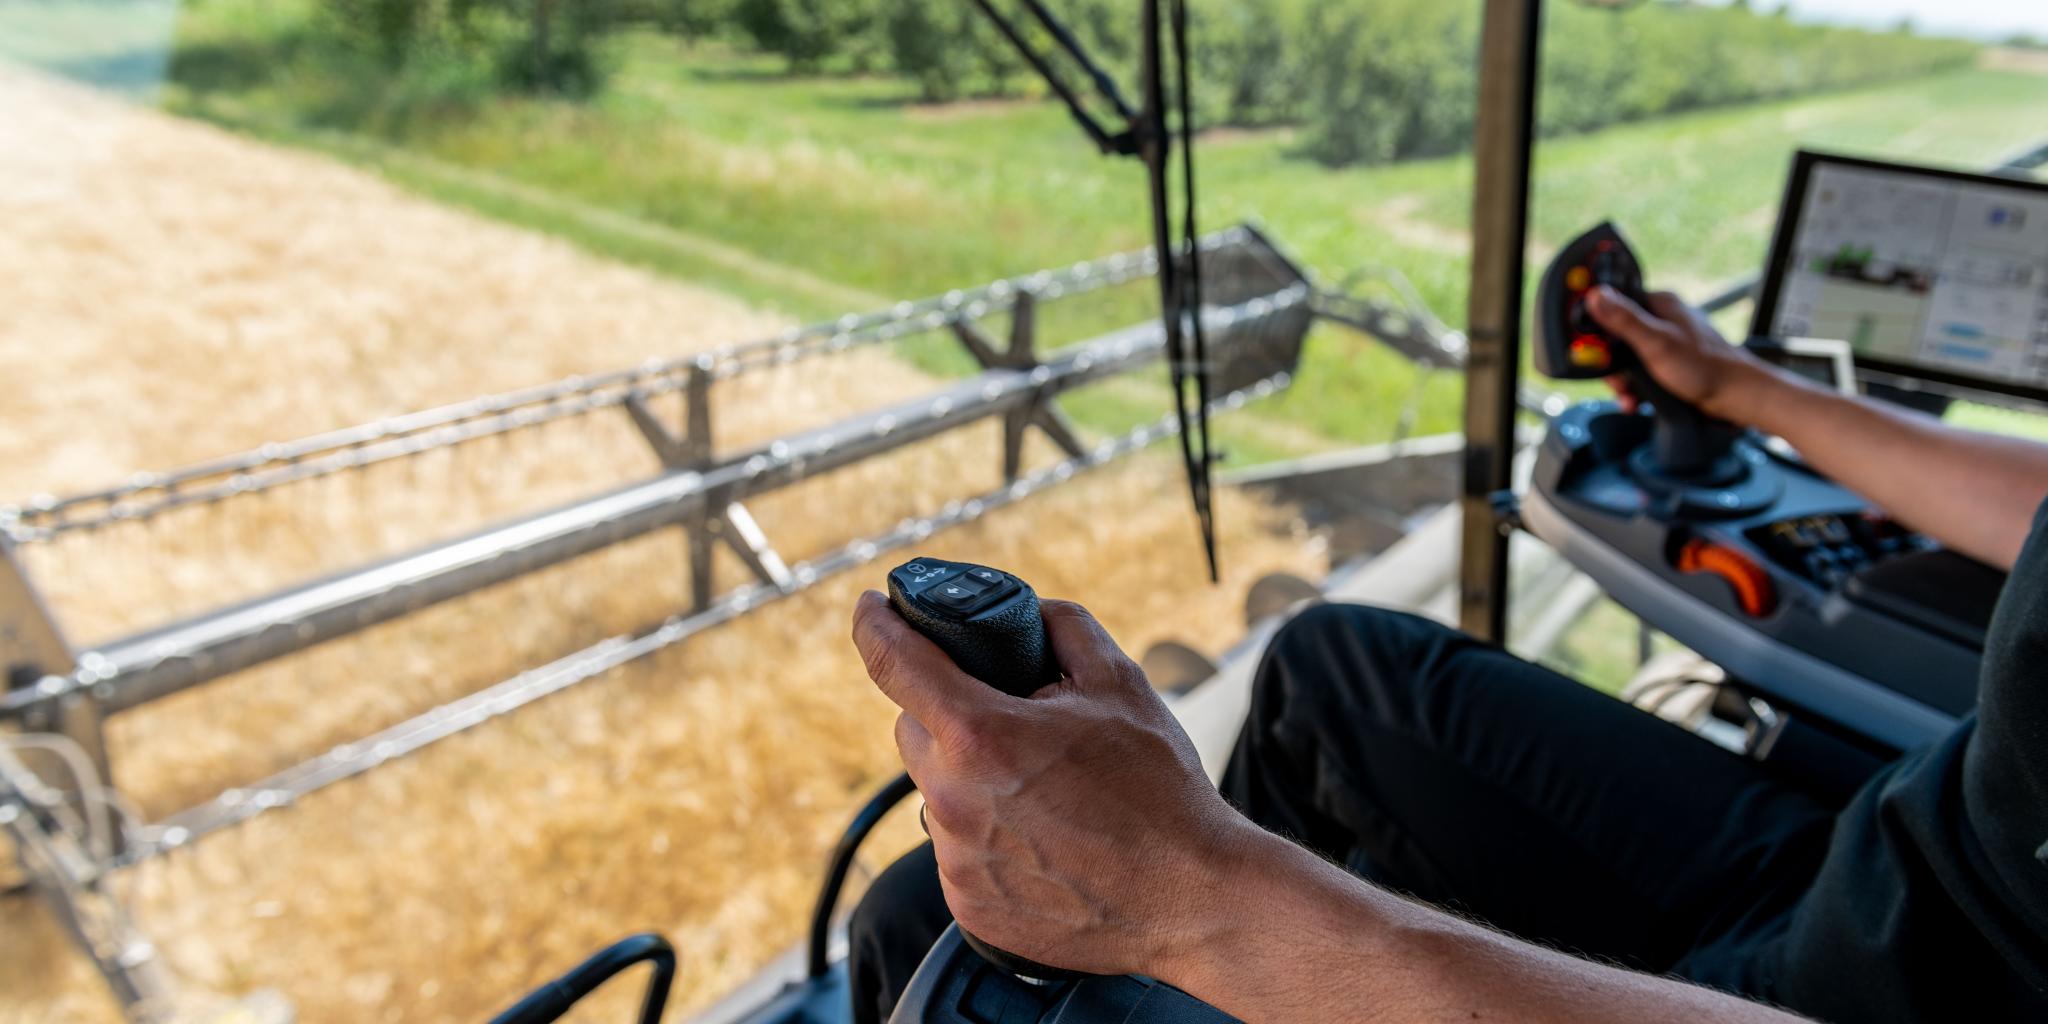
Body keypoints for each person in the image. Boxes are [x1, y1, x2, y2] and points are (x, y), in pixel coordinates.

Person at [843, 284, 2048, 1024]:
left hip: (1877, 996)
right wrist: (1736, 385)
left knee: (924, 933)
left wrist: (1199, 897)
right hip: (1888, 861)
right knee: (1334, 661)